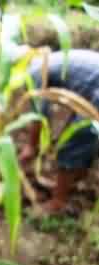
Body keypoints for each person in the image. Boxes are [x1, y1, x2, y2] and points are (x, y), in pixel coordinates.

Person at [20, 49, 99, 212]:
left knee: (72, 145)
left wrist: (31, 146)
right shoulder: (52, 60)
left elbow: (40, 113)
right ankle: (73, 181)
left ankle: (58, 202)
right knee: (79, 140)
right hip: (94, 92)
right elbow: (76, 100)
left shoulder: (33, 72)